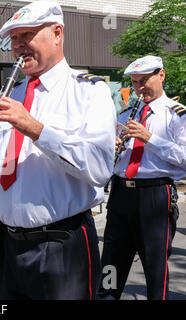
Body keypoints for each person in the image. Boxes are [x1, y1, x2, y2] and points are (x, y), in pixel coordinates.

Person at [0, 1, 116, 299]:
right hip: (9, 246)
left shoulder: (88, 91)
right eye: (13, 39)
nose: (18, 46)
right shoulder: (13, 93)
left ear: (57, 33)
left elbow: (98, 169)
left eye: (27, 35)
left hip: (62, 245)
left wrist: (34, 128)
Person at [98, 56, 185, 300]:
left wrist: (150, 138)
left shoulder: (177, 115)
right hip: (121, 194)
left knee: (155, 267)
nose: (139, 88)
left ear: (162, 75)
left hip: (154, 194)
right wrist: (111, 147)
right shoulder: (126, 115)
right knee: (111, 263)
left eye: (144, 81)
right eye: (135, 83)